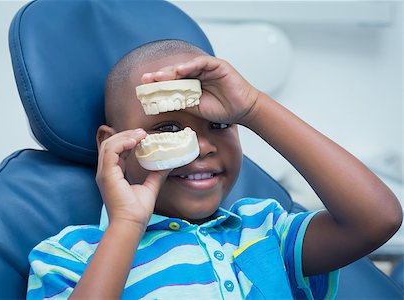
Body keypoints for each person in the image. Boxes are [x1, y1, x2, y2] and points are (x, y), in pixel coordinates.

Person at [26, 40, 402, 299]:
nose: (202, 145)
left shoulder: (263, 230)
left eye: (220, 126)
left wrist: (253, 107)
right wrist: (126, 224)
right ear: (114, 145)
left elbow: (377, 219)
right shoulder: (71, 255)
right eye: (168, 129)